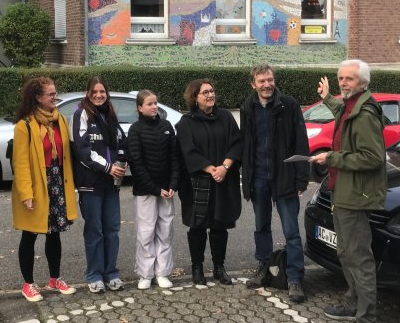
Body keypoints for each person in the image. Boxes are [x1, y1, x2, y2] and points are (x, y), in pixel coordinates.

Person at [308, 59, 387, 323]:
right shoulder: (352, 106)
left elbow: (372, 158)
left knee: (359, 257)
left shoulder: (365, 114)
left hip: (355, 195)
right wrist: (327, 97)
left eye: (349, 79)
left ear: (362, 83)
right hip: (342, 191)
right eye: (341, 78)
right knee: (345, 252)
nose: (343, 83)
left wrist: (332, 158)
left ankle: (366, 315)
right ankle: (353, 303)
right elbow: (342, 111)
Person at [239, 63, 310, 303]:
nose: (267, 85)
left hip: (285, 177)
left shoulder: (288, 105)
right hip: (258, 177)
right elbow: (246, 146)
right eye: (262, 81)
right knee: (261, 227)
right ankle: (264, 268)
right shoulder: (247, 107)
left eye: (270, 80)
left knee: (291, 231)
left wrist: (302, 177)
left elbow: (301, 141)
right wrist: (246, 179)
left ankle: (294, 278)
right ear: (253, 84)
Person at [10, 77, 79, 302]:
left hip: (56, 182)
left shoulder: (60, 120)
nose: (54, 98)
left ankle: (54, 278)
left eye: (54, 93)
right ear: (38, 98)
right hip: (36, 184)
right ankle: (28, 284)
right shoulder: (25, 126)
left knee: (54, 233)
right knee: (29, 235)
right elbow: (20, 163)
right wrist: (26, 194)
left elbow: (66, 156)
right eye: (50, 95)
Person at [175, 79, 243, 285]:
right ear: (194, 97)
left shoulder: (226, 117)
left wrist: (225, 167)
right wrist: (209, 168)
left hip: (223, 179)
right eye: (204, 92)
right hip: (198, 182)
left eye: (211, 91)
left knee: (219, 226)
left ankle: (219, 267)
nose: (210, 95)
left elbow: (237, 143)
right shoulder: (186, 122)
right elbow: (186, 150)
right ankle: (197, 268)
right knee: (197, 227)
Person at [71, 76, 129, 293]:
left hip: (111, 185)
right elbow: (83, 151)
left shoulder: (110, 114)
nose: (98, 95)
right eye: (94, 91)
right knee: (95, 231)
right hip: (91, 184)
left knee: (112, 230)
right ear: (88, 93)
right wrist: (108, 167)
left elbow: (122, 142)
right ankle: (94, 275)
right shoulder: (81, 114)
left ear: (107, 93)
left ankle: (111, 273)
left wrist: (121, 162)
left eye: (102, 91)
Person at [126, 90, 180, 290]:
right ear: (140, 108)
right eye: (150, 104)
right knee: (146, 232)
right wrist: (155, 189)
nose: (154, 106)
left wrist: (173, 184)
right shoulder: (135, 129)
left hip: (167, 191)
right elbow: (137, 163)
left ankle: (163, 273)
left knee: (165, 231)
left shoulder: (167, 127)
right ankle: (146, 274)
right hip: (146, 191)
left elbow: (175, 158)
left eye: (156, 103)